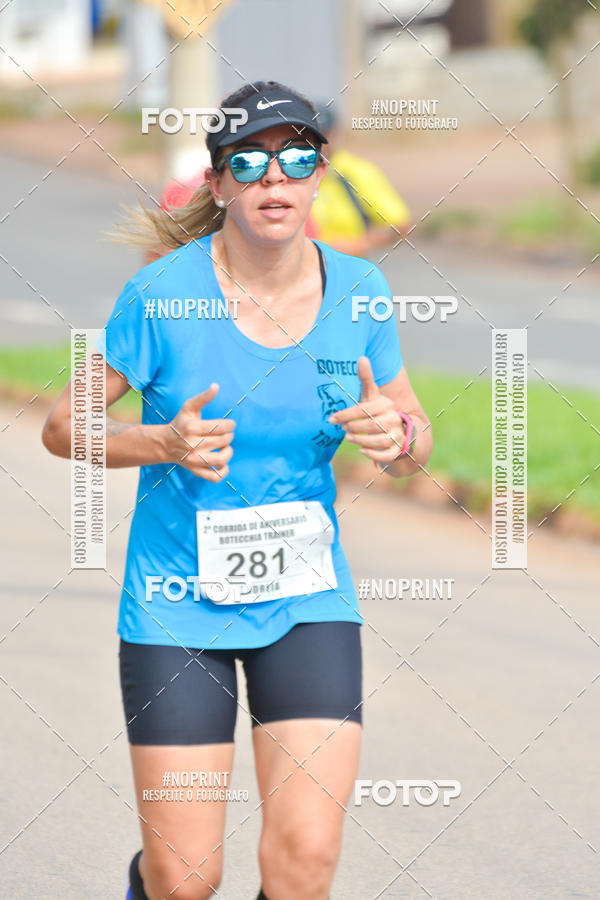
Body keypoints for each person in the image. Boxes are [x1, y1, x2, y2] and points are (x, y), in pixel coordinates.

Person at [41, 80, 432, 900]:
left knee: (305, 862)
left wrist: (393, 440)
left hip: (306, 603)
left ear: (321, 175)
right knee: (185, 878)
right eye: (248, 162)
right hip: (177, 605)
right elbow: (61, 427)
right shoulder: (160, 298)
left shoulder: (360, 290)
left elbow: (412, 436)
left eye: (295, 160)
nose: (273, 180)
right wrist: (161, 441)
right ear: (218, 183)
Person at [307, 104, 412, 257]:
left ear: (335, 134)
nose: (317, 143)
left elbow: (401, 225)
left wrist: (360, 244)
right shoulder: (288, 173)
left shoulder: (356, 172)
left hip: (350, 270)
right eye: (309, 137)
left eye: (323, 135)